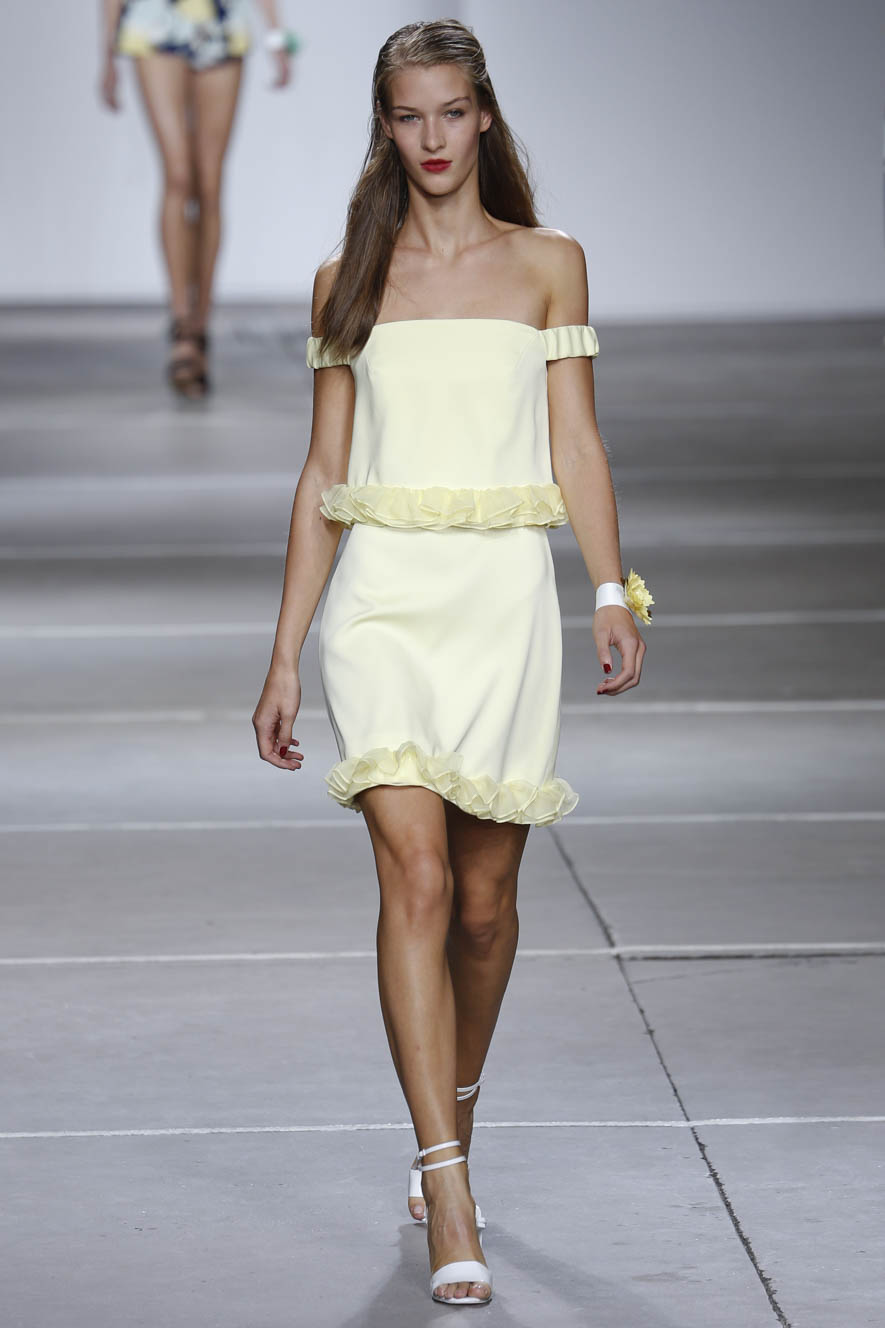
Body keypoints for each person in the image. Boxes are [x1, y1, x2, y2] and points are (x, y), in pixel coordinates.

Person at [252, 17, 652, 1307]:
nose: (431, 137)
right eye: (407, 115)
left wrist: (609, 586)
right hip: (383, 604)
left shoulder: (549, 265)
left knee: (484, 906)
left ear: (484, 116)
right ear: (385, 127)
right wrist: (284, 652)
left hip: (501, 606)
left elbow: (576, 441)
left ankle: (451, 1128)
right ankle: (450, 1185)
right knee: (416, 876)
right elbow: (324, 471)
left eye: (450, 111)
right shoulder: (346, 281)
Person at [98, 0, 298, 397]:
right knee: (178, 177)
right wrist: (108, 51)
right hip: (153, 20)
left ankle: (200, 325)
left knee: (209, 184)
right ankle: (182, 328)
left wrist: (276, 34)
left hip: (221, 19)